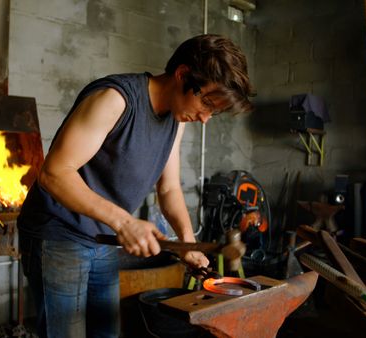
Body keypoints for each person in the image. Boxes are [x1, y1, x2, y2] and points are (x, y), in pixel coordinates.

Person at [17, 34, 254, 338]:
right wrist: (124, 221)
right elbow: (54, 173)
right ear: (182, 75)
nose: (206, 118)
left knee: (107, 333)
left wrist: (187, 243)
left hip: (103, 239)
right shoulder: (115, 99)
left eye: (214, 111)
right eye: (206, 102)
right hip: (59, 233)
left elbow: (168, 188)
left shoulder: (176, 120)